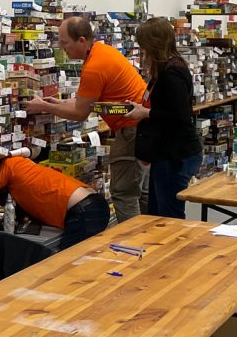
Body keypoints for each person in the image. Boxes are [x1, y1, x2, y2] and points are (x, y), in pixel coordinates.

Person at [25, 16, 148, 222]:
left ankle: (134, 244)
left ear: (81, 40)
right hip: (141, 128)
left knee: (123, 194)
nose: (63, 48)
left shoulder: (94, 66)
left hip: (131, 130)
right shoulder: (103, 51)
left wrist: (44, 107)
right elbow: (85, 102)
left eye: (65, 43)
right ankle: (151, 239)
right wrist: (56, 103)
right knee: (141, 193)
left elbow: (80, 113)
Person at [124, 17, 203, 219]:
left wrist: (146, 113)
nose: (142, 51)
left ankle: (176, 250)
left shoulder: (171, 72)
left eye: (143, 45)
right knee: (158, 213)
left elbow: (180, 116)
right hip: (167, 152)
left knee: (169, 217)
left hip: (175, 154)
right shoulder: (167, 67)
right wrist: (143, 108)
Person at [0, 155, 109, 249]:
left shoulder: (6, 166)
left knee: (69, 265)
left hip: (83, 212)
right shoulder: (21, 163)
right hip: (95, 204)